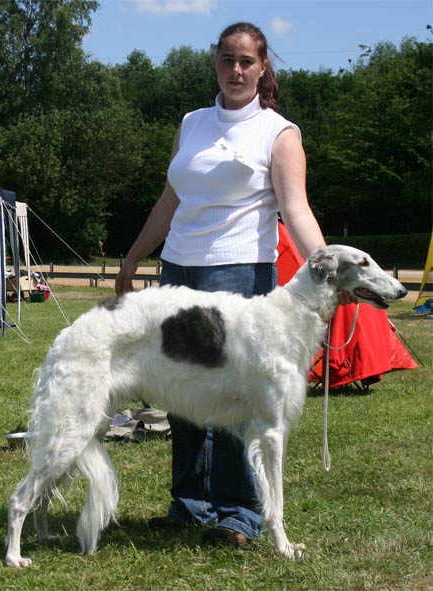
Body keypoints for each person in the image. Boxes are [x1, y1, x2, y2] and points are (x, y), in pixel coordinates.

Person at [116, 22, 343, 549]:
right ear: (215, 62)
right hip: (179, 273)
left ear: (262, 68)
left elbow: (295, 209)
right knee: (180, 386)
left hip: (239, 273)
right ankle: (188, 503)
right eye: (226, 59)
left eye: (246, 61)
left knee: (237, 398)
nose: (235, 70)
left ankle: (238, 513)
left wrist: (328, 267)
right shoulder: (191, 123)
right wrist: (132, 256)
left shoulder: (278, 132)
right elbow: (170, 201)